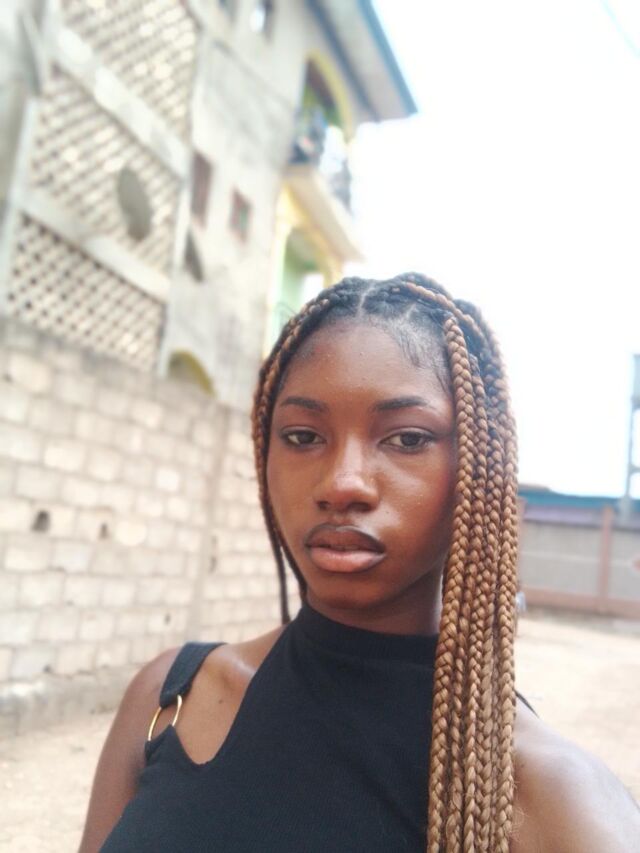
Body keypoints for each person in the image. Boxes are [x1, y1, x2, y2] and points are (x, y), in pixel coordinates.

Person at [80, 274, 639, 852]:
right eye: (303, 436)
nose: (342, 483)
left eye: (407, 439)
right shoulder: (171, 698)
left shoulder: (546, 796)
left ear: (478, 470)